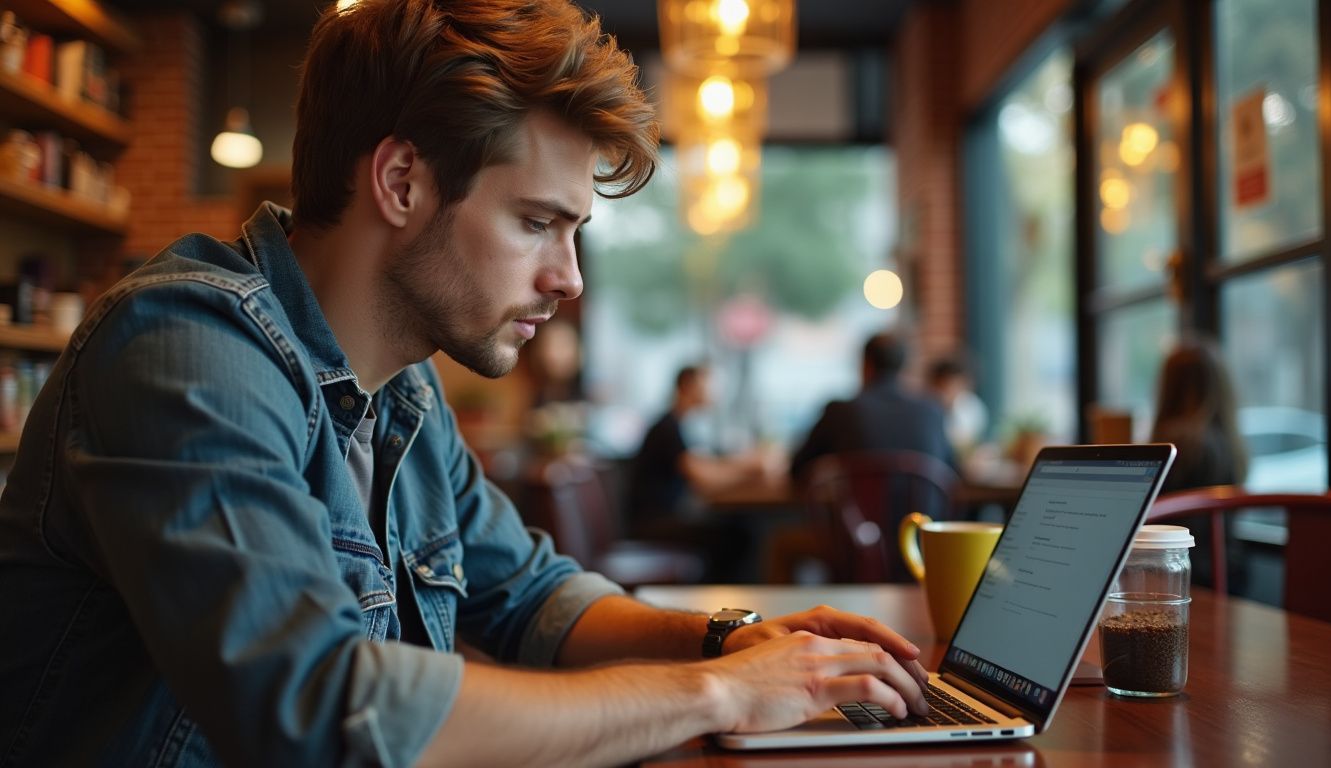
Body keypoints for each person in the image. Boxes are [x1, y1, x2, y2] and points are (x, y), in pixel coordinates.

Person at [0, 2, 929, 766]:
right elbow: (317, 705)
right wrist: (717, 692)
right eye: (537, 222)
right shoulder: (185, 350)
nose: (568, 278)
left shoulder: (403, 394)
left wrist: (733, 641)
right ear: (401, 180)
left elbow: (531, 598)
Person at [626, 364, 775, 580]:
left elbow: (707, 464)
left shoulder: (679, 424)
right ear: (688, 386)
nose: (713, 392)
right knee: (739, 535)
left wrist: (745, 464)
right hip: (654, 523)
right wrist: (749, 471)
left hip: (665, 516)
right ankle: (723, 603)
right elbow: (703, 478)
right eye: (707, 385)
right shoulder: (667, 427)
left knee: (739, 529)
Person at [1149, 338, 1250, 588]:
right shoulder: (1228, 445)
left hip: (1180, 574)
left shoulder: (1173, 446)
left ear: (1168, 388)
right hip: (1228, 571)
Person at [791, 332, 958, 481]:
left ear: (866, 365)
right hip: (925, 516)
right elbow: (953, 472)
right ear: (904, 368)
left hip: (857, 516)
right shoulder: (931, 410)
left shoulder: (841, 412)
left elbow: (798, 468)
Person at [925, 353, 989, 458]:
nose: (950, 393)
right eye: (944, 388)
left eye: (955, 387)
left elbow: (971, 444)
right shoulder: (926, 412)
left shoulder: (971, 407)